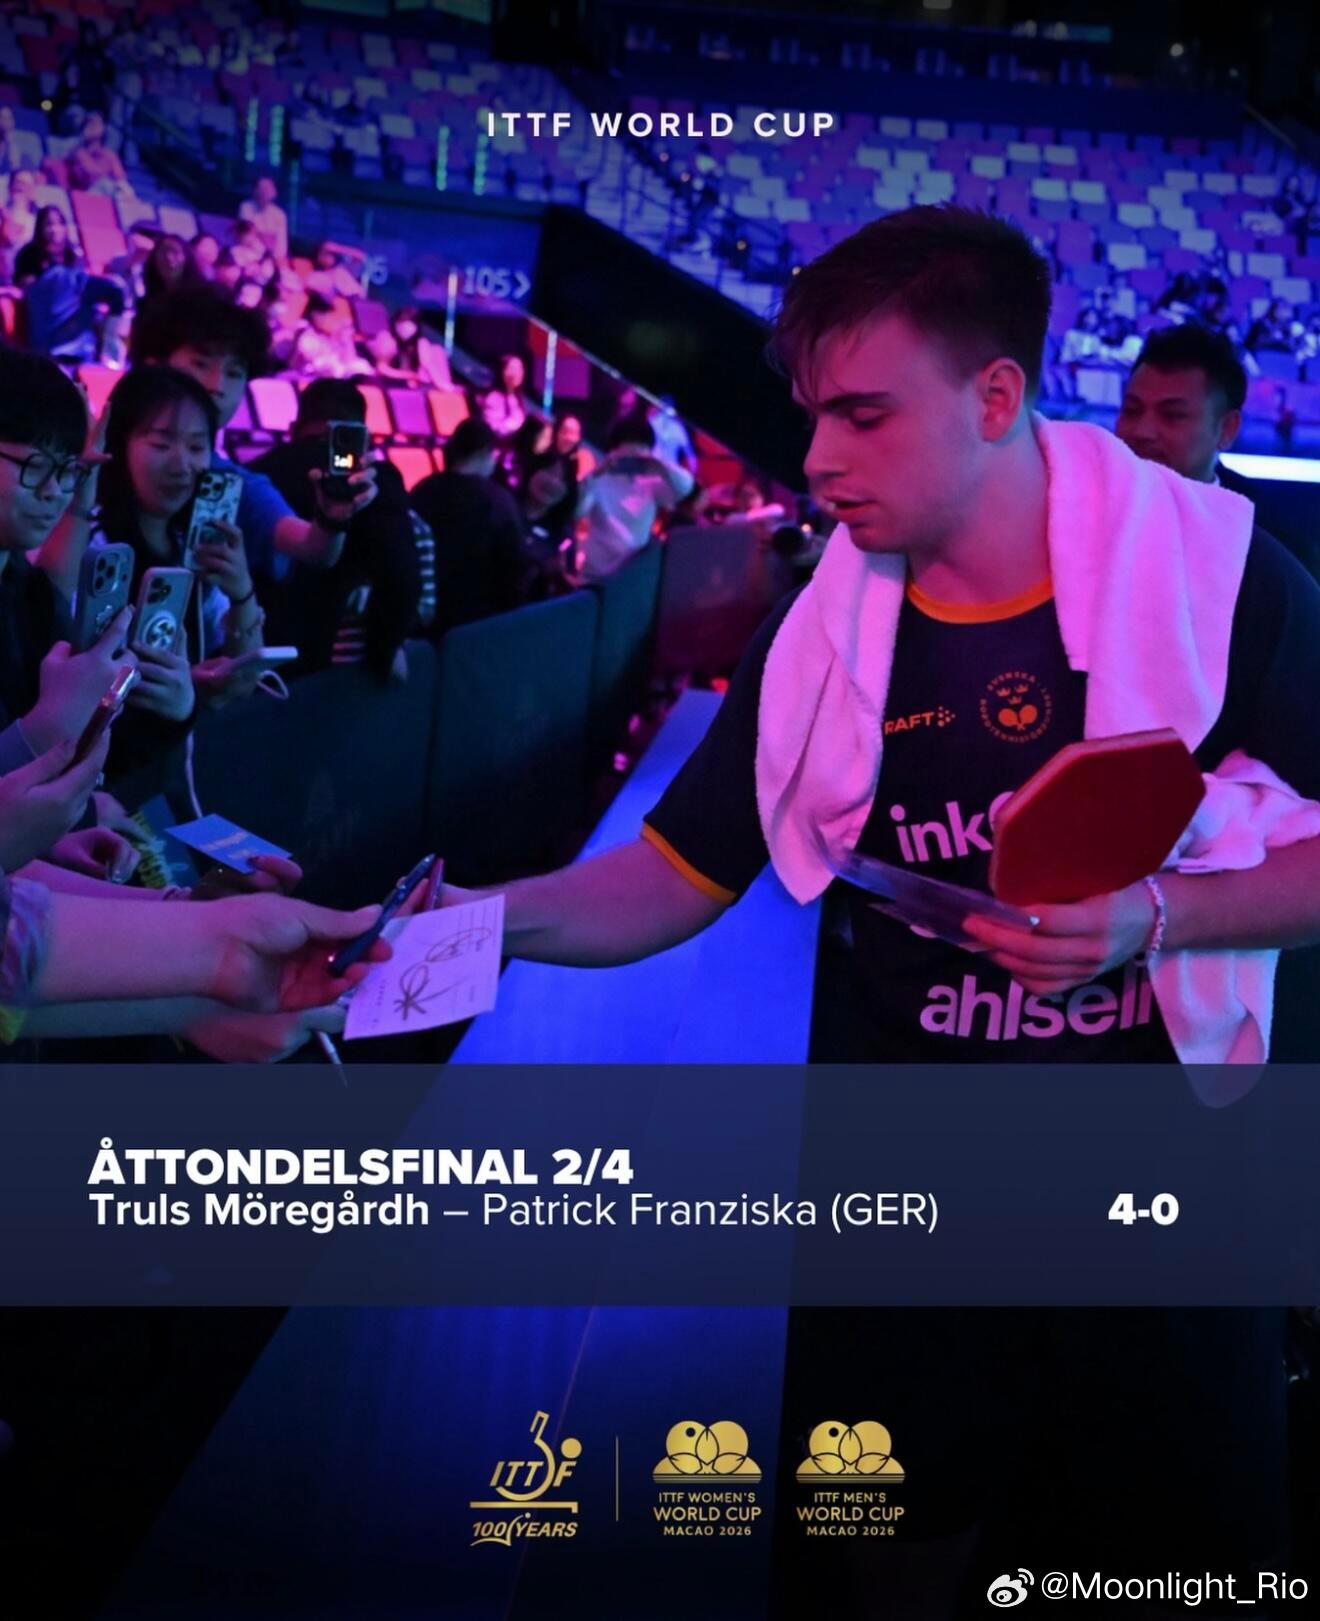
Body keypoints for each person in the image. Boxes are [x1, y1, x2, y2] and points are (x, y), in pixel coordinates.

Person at [437, 204, 1320, 1593]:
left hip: (1162, 1193)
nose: (818, 458)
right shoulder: (823, 630)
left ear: (995, 397)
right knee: (880, 1557)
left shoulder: (1221, 578)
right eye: (813, 415)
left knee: (1178, 1560)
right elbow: (673, 875)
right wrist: (470, 929)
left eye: (863, 414)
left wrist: (1156, 917)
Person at [88, 366, 266, 801]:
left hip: (176, 777)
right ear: (119, 443)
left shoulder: (193, 548)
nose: (183, 465)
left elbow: (244, 680)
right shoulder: (95, 546)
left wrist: (241, 592)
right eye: (161, 443)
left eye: (197, 446)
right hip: (103, 788)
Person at [127, 288, 377, 583]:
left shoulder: (231, 482)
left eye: (234, 373)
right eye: (201, 364)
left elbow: (313, 548)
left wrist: (332, 518)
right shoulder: (94, 458)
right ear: (155, 365)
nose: (217, 386)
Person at [1116, 322, 1320, 581]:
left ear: (1227, 429)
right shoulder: (1084, 507)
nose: (1142, 431)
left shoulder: (1276, 539)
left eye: (1172, 415)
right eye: (1131, 410)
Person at [251, 379, 420, 679]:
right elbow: (401, 572)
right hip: (340, 663)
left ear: (294, 427)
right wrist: (386, 649)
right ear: (363, 435)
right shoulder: (377, 478)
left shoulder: (258, 472)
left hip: (263, 655)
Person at [409, 417, 527, 635]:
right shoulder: (499, 502)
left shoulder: (422, 490)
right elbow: (514, 569)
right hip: (478, 626)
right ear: (485, 452)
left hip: (421, 623)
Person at [575, 412, 694, 580]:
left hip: (631, 573)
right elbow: (577, 511)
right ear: (613, 451)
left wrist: (658, 464)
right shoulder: (598, 480)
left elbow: (686, 486)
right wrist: (596, 473)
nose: (631, 462)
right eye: (626, 455)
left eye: (637, 457)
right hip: (595, 571)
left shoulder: (652, 483)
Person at [14, 206, 127, 364]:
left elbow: (115, 294)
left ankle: (105, 349)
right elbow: (28, 289)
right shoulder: (29, 255)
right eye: (48, 224)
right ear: (39, 228)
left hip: (79, 340)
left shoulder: (73, 259)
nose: (54, 230)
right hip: (46, 339)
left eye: (59, 224)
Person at [292, 291, 371, 379]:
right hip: (318, 377)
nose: (344, 319)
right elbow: (314, 364)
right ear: (316, 315)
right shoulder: (308, 338)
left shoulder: (340, 335)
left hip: (342, 375)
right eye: (338, 314)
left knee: (361, 365)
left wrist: (347, 341)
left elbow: (350, 360)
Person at [67, 113, 131, 196]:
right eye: (89, 123)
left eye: (96, 124)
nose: (93, 127)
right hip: (85, 195)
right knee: (105, 184)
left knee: (123, 187)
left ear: (103, 128)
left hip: (110, 193)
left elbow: (120, 177)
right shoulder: (78, 152)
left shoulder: (109, 155)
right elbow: (91, 175)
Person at [238, 175, 288, 265]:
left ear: (274, 192)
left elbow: (281, 246)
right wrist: (265, 241)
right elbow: (246, 238)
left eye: (268, 189)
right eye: (262, 188)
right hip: (248, 255)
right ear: (255, 191)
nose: (265, 192)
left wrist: (274, 258)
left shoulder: (280, 214)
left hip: (272, 259)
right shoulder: (246, 207)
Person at [479, 353, 527, 441]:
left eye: (520, 368)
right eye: (513, 368)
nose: (518, 373)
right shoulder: (494, 397)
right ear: (502, 372)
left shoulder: (516, 397)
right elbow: (494, 430)